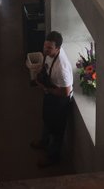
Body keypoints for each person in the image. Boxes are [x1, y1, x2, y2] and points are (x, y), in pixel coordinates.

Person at [31, 31, 73, 168]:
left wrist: (47, 89)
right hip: (51, 93)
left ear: (58, 48)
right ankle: (44, 141)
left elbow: (66, 92)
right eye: (45, 46)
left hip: (60, 101)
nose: (46, 50)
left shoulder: (62, 67)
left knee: (57, 130)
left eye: (49, 48)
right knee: (46, 118)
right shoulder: (50, 54)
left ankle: (52, 157)